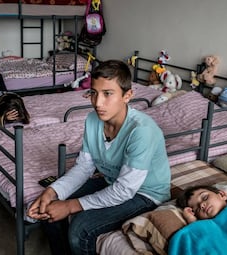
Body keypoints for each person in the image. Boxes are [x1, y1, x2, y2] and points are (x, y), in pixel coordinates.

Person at [27, 60, 171, 255]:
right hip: (112, 180)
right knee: (49, 207)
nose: (98, 102)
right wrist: (52, 192)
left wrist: (70, 206)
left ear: (127, 95)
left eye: (108, 94)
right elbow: (84, 167)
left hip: (145, 194)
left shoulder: (141, 131)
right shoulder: (92, 120)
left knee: (80, 231)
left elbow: (125, 190)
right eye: (94, 93)